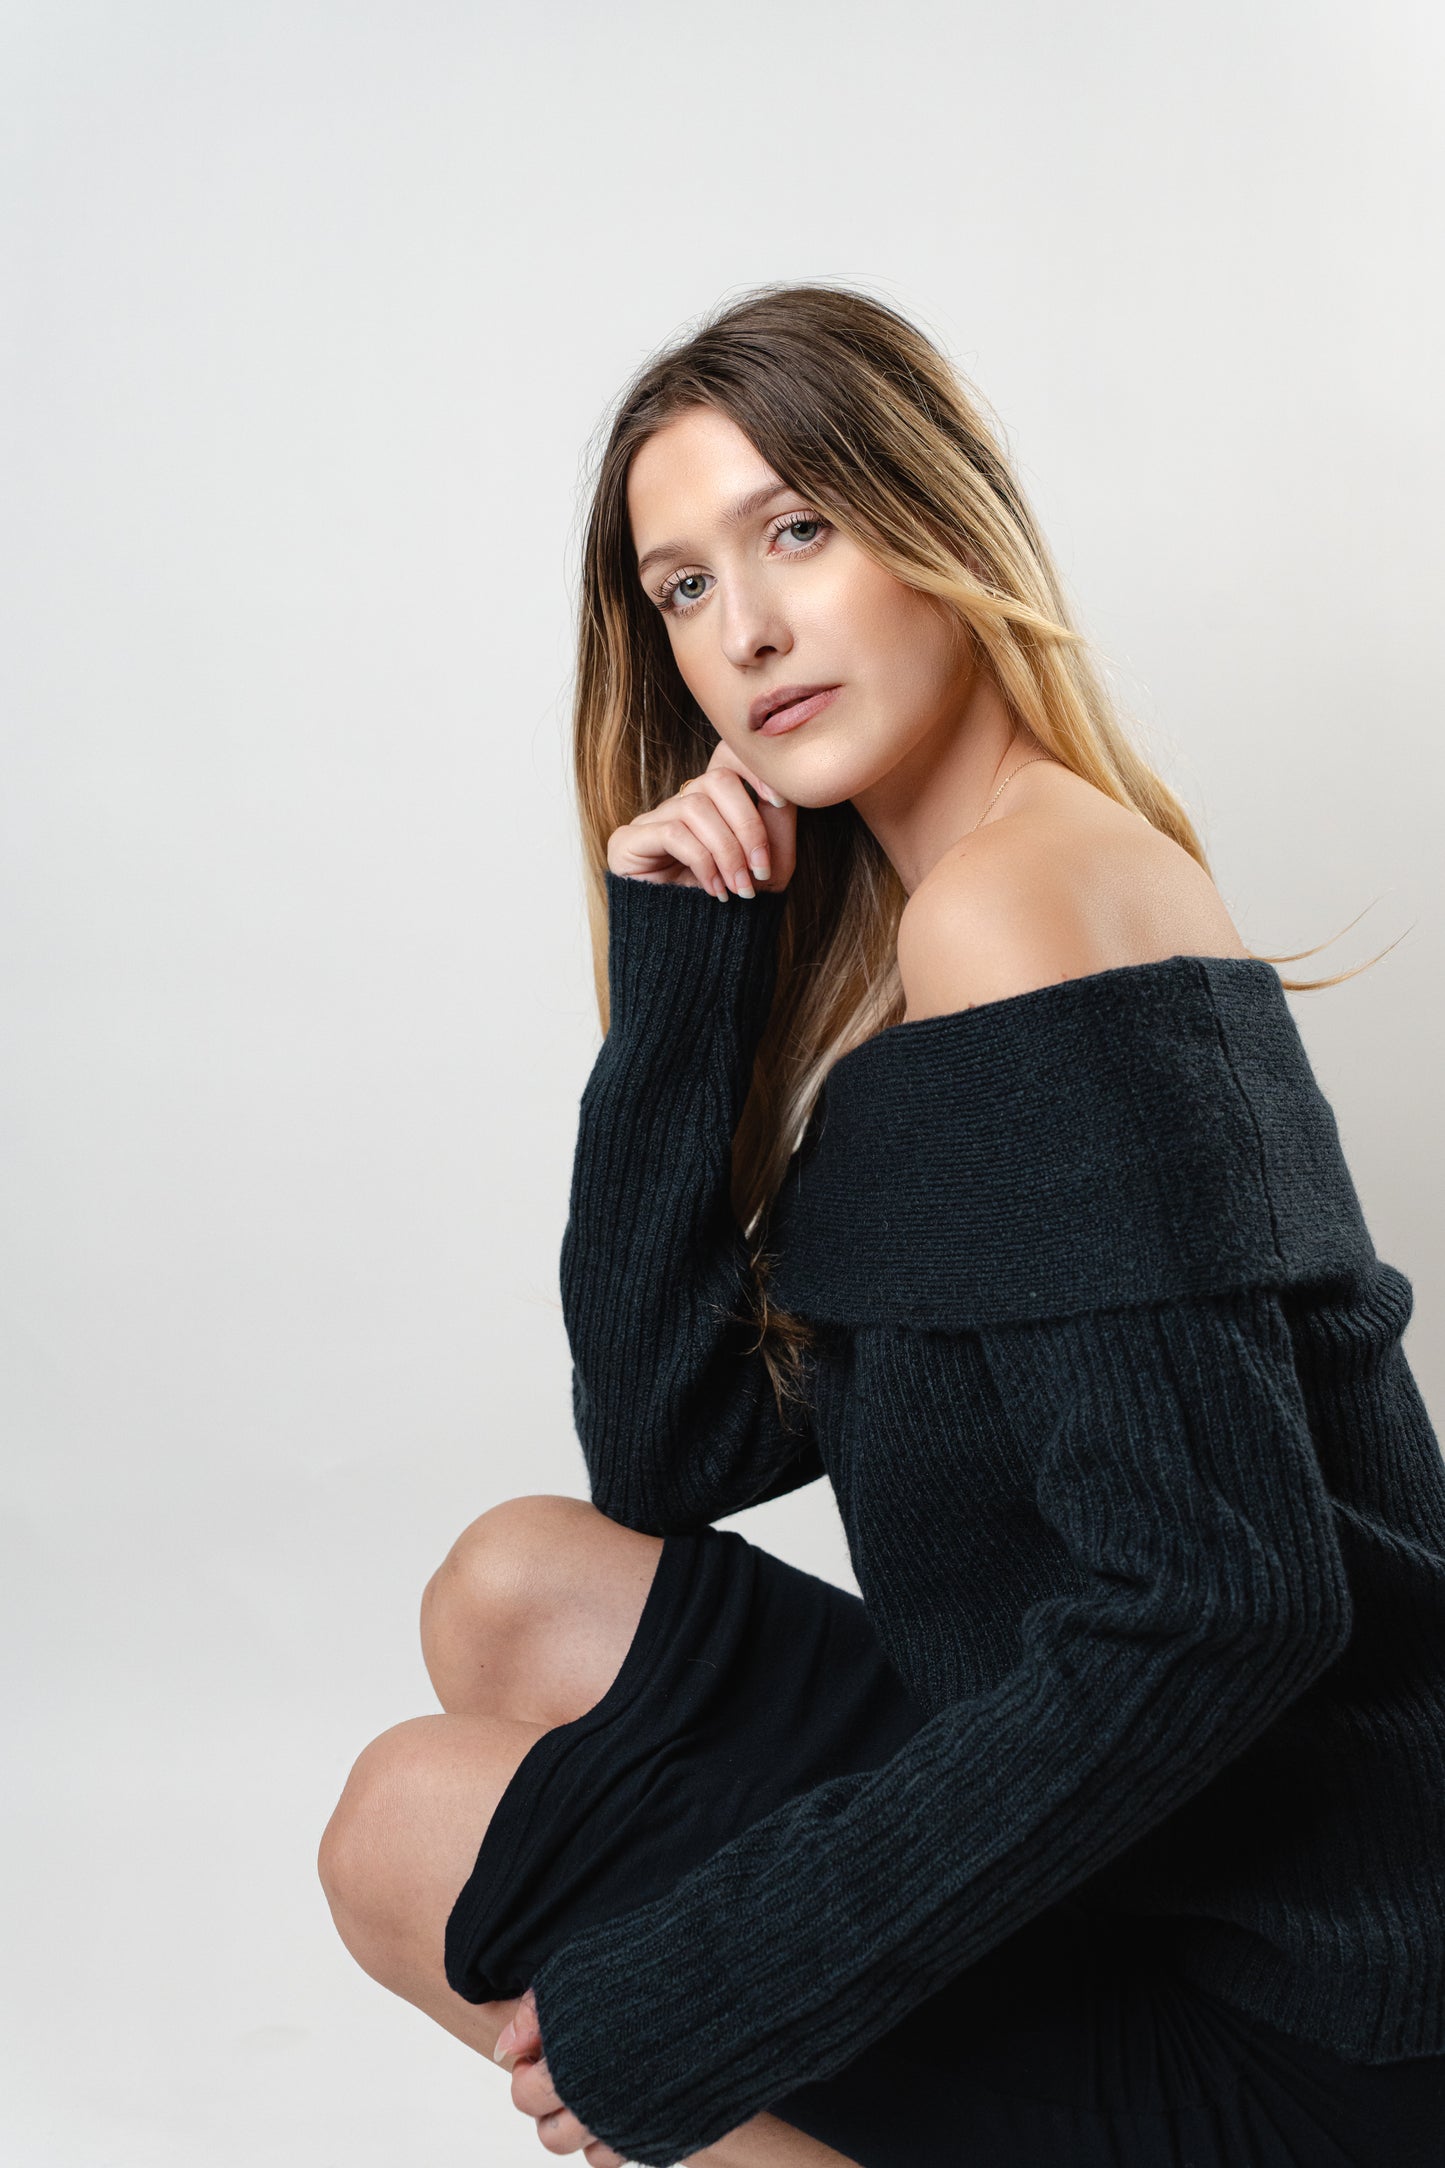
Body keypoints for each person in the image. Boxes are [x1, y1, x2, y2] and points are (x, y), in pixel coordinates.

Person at [316, 284, 1445, 2168]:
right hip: (1155, 1853)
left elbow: (1223, 1607)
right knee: (514, 1582)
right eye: (683, 586)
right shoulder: (957, 922)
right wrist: (685, 981)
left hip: (1321, 2014)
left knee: (405, 1829)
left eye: (796, 530)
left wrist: (720, 1988)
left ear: (936, 524)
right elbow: (670, 1453)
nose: (744, 629)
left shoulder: (1018, 916)